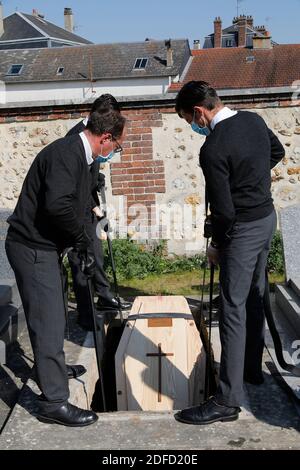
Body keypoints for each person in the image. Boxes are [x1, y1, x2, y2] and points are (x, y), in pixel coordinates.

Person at [5, 109, 126, 426]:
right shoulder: (66, 153)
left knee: (55, 309)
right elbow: (57, 206)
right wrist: (83, 241)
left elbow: (78, 200)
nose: (115, 152)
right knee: (47, 319)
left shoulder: (82, 157)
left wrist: (81, 242)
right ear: (105, 138)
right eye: (117, 146)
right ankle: (54, 402)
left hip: (47, 247)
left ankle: (52, 369)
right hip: (31, 247)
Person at [174, 81, 285, 425]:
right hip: (267, 218)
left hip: (242, 231)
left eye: (188, 121)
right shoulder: (252, 120)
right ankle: (251, 370)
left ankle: (227, 400)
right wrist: (252, 180)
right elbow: (277, 152)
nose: (192, 128)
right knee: (254, 296)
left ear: (198, 112)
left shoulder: (213, 147)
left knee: (232, 309)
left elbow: (223, 210)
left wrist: (217, 245)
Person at [66, 95, 131, 331]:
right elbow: (74, 184)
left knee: (96, 254)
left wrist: (97, 202)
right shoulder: (77, 138)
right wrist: (92, 206)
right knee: (82, 260)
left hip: (89, 205)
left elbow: (91, 175)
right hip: (77, 210)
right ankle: (86, 315)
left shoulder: (98, 136)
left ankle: (104, 296)